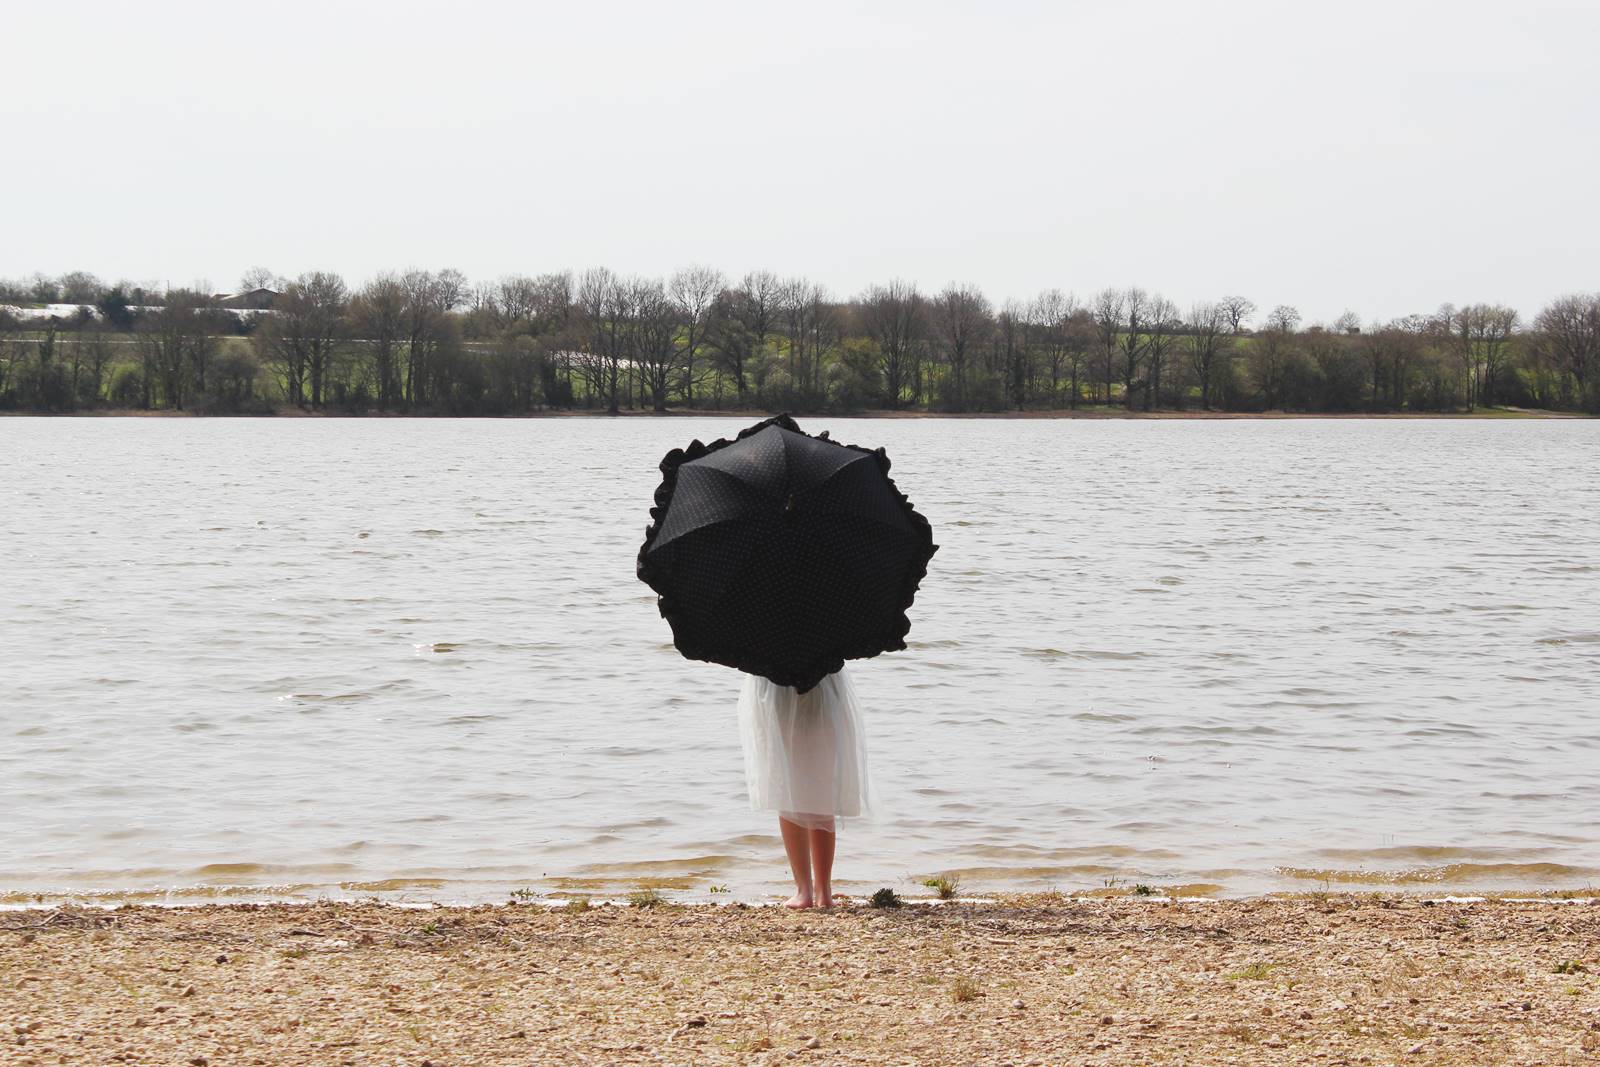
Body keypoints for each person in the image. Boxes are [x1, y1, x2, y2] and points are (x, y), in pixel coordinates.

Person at [738, 665, 872, 909]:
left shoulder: (761, 629)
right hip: (824, 683)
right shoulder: (825, 625)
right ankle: (824, 891)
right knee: (820, 785)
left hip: (777, 684)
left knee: (787, 784)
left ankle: (804, 891)